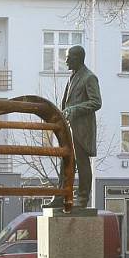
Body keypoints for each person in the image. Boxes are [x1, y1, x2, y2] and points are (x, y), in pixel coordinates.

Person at [44, 45, 102, 209]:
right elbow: (66, 103)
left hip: (82, 129)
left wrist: (75, 110)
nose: (66, 60)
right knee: (66, 161)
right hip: (69, 128)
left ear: (78, 58)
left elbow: (96, 102)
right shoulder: (73, 77)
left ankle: (82, 198)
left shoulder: (89, 77)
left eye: (68, 57)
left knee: (82, 163)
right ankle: (62, 194)